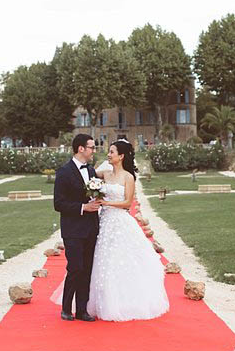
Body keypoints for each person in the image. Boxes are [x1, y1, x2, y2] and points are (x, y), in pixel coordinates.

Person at [88, 139, 169, 321]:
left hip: (119, 222)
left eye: (112, 152)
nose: (108, 155)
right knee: (103, 261)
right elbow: (88, 174)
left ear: (121, 156)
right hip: (104, 222)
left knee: (121, 260)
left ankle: (124, 302)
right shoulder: (106, 174)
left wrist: (106, 202)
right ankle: (103, 301)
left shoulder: (128, 177)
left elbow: (127, 203)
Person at [53, 134, 100, 322]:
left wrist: (97, 202)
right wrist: (83, 208)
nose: (93, 151)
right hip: (73, 229)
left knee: (87, 269)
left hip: (91, 228)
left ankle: (82, 310)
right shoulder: (64, 172)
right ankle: (66, 308)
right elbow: (59, 203)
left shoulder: (91, 171)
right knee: (75, 268)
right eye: (91, 147)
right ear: (81, 149)